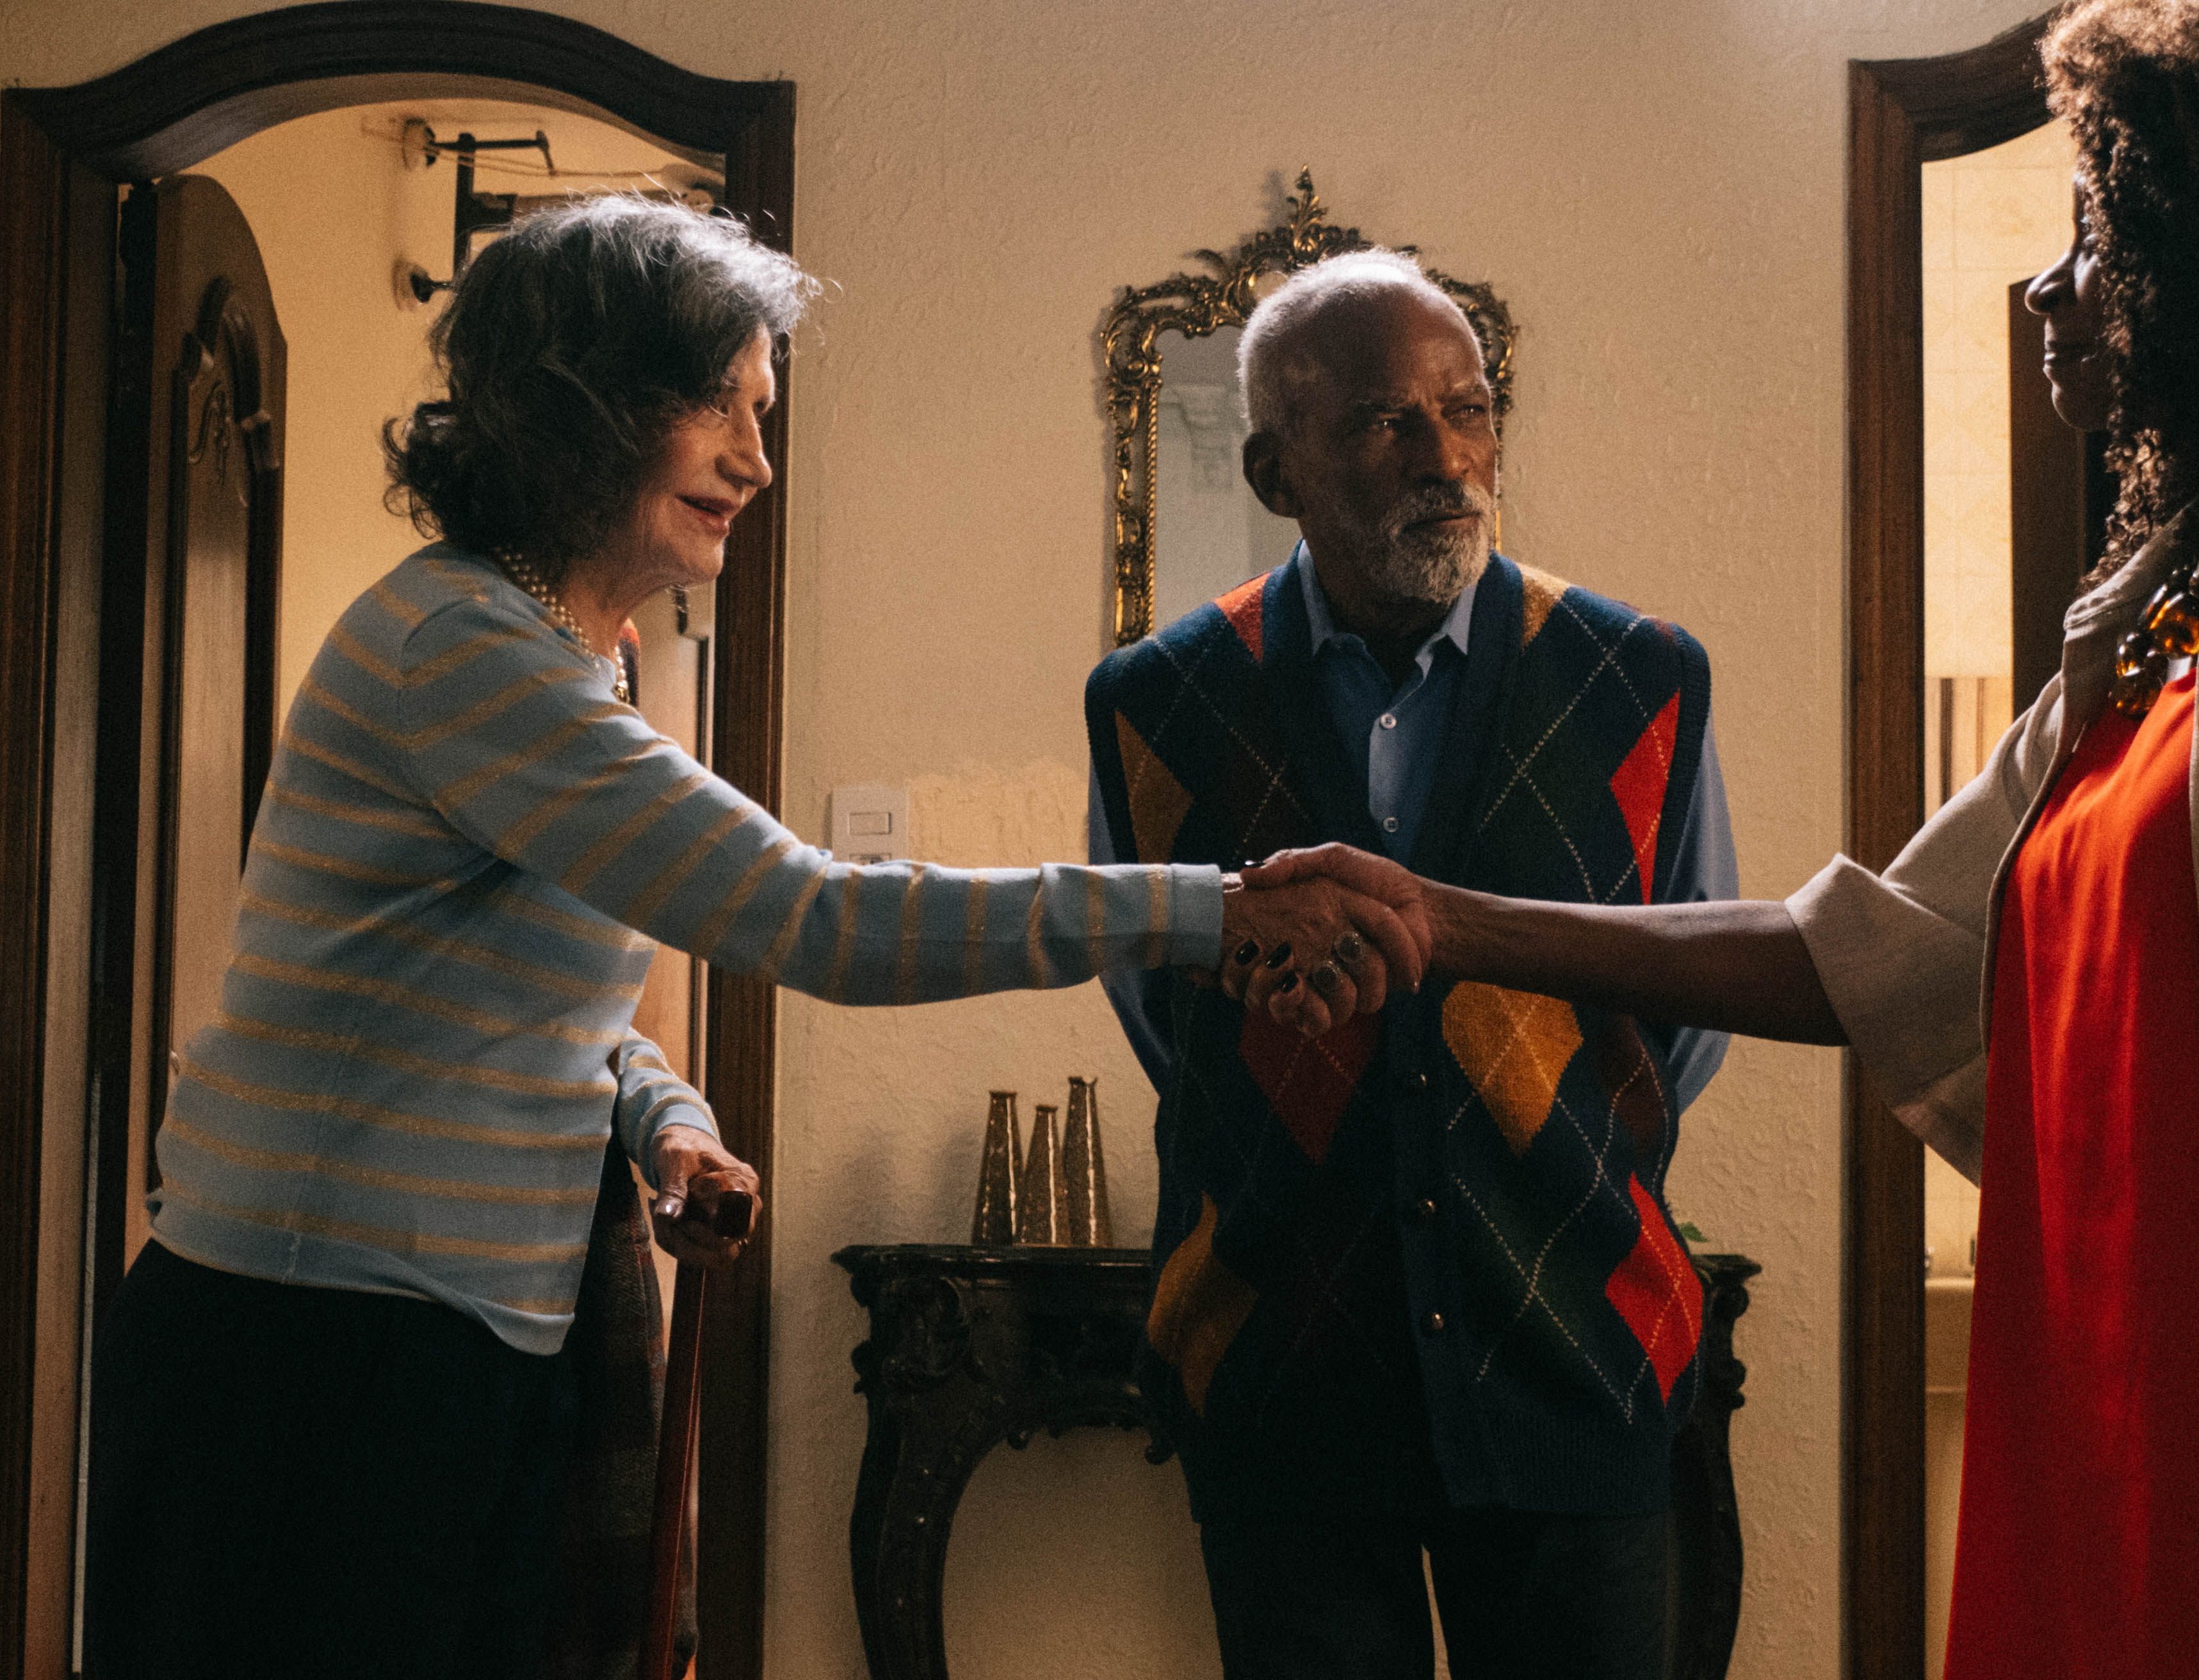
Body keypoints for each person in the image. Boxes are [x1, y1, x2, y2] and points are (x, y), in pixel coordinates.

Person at [1241, 3, 2199, 1677]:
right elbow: (1867, 952)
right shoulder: (2162, 610)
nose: (2051, 289)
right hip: (2121, 1421)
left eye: (2099, 239)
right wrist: (1441, 920)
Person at [81, 197, 1419, 1680]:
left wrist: (669, 1126)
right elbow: (814, 916)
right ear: (587, 406)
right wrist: (1213, 907)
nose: (755, 459)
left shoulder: (580, 655)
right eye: (718, 405)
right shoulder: (461, 649)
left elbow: (558, 1012)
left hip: (444, 1341)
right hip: (307, 1349)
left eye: (761, 411)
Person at [1085, 248, 1739, 1679]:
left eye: (1468, 409)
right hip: (1280, 1372)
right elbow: (1164, 1008)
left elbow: (1688, 991)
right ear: (1275, 472)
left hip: (1572, 1354)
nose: (1446, 458)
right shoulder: (1157, 701)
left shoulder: (1640, 678)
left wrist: (1550, 1136)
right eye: (1387, 421)